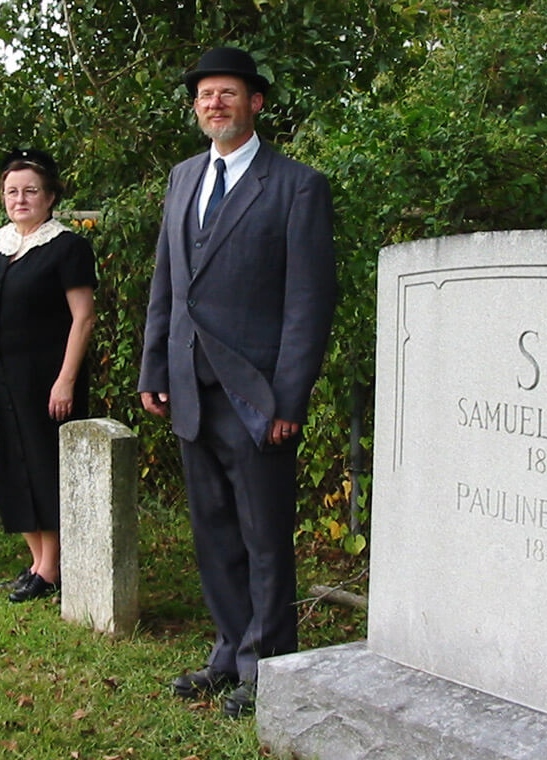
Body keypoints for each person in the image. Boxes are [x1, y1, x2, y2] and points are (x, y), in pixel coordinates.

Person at [138, 46, 337, 717]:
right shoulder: (183, 177)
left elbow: (309, 302)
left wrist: (289, 395)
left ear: (255, 103)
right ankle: (228, 652)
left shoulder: (296, 185)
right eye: (204, 95)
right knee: (214, 532)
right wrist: (153, 368)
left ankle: (267, 668)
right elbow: (168, 283)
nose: (214, 103)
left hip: (258, 397)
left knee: (263, 536)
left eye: (228, 93)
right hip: (190, 388)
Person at [0, 148, 97, 603]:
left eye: (31, 191)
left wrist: (66, 381)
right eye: (12, 191)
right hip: (1, 379)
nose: (20, 199)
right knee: (8, 468)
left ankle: (51, 569)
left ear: (51, 196)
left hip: (44, 380)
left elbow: (83, 318)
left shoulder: (68, 248)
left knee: (43, 468)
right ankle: (37, 562)